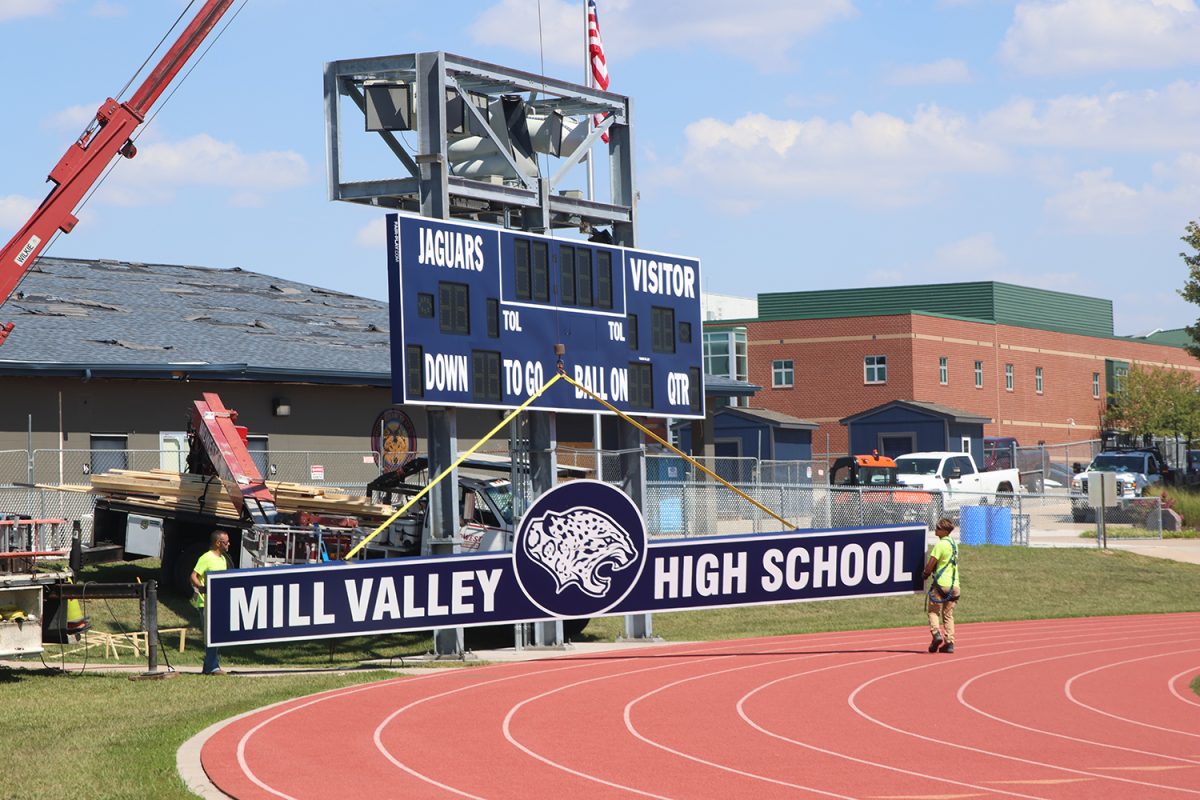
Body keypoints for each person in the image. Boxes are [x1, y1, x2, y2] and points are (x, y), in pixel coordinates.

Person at [191, 530, 231, 674]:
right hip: (205, 604)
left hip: (217, 603)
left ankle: (209, 667)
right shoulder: (206, 558)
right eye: (226, 542)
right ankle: (213, 667)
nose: (229, 544)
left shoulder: (222, 559)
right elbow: (194, 575)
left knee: (216, 636)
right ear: (218, 543)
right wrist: (201, 588)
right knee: (211, 636)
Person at [924, 517, 960, 654]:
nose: (936, 529)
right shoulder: (953, 544)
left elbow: (932, 562)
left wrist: (926, 574)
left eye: (938, 528)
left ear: (944, 531)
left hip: (941, 584)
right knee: (948, 615)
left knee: (933, 611)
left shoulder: (940, 545)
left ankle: (936, 634)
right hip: (955, 585)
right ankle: (949, 642)